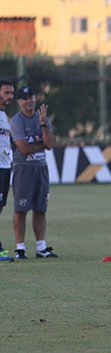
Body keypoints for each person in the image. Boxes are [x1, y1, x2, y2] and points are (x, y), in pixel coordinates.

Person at [10, 85, 57, 259]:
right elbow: (23, 148)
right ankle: (20, 248)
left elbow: (50, 145)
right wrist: (42, 145)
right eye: (25, 98)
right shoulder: (16, 121)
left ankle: (41, 248)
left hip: (41, 168)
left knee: (40, 209)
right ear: (19, 101)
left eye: (32, 97)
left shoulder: (42, 118)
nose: (29, 101)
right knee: (20, 209)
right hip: (23, 169)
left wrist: (44, 124)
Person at [0, 80, 17, 262]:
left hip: (5, 167)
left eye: (11, 93)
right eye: (6, 93)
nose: (10, 96)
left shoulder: (4, 115)